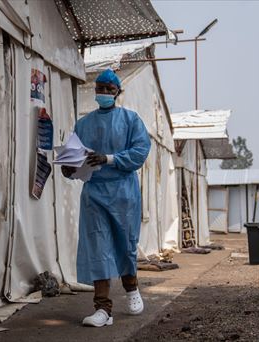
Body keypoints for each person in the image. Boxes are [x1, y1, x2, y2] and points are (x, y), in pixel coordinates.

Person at [61, 69, 151, 327]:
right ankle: (103, 309)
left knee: (125, 243)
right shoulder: (83, 124)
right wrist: (69, 168)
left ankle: (132, 288)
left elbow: (139, 152)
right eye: (99, 88)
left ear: (117, 93)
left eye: (108, 89)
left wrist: (109, 158)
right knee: (97, 248)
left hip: (123, 192)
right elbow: (74, 159)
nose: (102, 93)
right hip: (94, 194)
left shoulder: (131, 120)